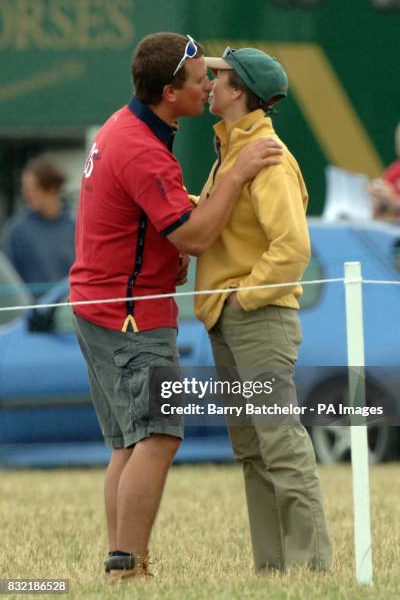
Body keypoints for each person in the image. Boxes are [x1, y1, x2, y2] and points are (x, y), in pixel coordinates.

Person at [69, 32, 283, 582]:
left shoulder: (126, 125)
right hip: (129, 315)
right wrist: (236, 173)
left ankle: (120, 559)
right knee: (159, 436)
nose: (210, 84)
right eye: (199, 80)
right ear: (169, 91)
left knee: (128, 441)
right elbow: (195, 237)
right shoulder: (142, 149)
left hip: (100, 303)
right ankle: (129, 567)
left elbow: (152, 223)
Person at [194, 47, 332, 572]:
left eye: (219, 76)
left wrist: (244, 296)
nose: (210, 82)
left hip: (257, 318)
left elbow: (292, 247)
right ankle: (273, 571)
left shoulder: (267, 154)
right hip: (232, 319)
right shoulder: (232, 150)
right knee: (254, 450)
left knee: (280, 445)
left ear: (239, 91)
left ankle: (312, 571)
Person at [1, 154, 75, 297]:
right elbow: (8, 285)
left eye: (32, 188)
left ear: (53, 189)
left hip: (67, 315)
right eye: (24, 188)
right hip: (32, 316)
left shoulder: (74, 228)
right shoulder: (16, 231)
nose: (25, 194)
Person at [368, 122, 400, 218]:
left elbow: (394, 202)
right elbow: (382, 190)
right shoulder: (396, 170)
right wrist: (377, 199)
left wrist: (394, 201)